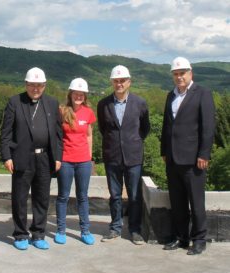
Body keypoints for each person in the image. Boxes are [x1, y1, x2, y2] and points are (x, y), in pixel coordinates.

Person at [0, 67, 62, 250]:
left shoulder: (51, 103)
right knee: (19, 198)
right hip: (21, 157)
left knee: (42, 197)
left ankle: (38, 234)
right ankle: (20, 235)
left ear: (44, 85)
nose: (36, 88)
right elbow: (6, 132)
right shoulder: (15, 102)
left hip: (44, 157)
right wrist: (6, 156)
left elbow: (58, 134)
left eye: (40, 85)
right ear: (26, 84)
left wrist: (58, 156)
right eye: (32, 85)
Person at [161, 57, 215, 255]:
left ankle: (199, 239)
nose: (179, 77)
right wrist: (164, 151)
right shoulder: (171, 95)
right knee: (178, 201)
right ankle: (181, 237)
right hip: (173, 158)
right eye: (175, 74)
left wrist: (204, 153)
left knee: (196, 201)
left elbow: (208, 127)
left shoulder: (202, 93)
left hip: (194, 159)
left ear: (190, 73)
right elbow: (167, 126)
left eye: (182, 73)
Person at [97, 65, 150, 245]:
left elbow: (145, 128)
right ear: (112, 82)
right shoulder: (103, 104)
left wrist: (132, 142)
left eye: (122, 81)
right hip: (112, 156)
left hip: (133, 156)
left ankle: (135, 230)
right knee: (115, 195)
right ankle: (115, 228)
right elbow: (104, 129)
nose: (119, 84)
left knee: (135, 195)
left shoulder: (140, 103)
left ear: (129, 82)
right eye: (116, 81)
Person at [55, 78, 96, 246]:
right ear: (70, 94)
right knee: (63, 196)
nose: (78, 96)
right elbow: (57, 137)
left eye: (81, 94)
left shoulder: (88, 112)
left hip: (83, 161)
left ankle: (85, 231)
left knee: (83, 197)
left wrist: (90, 157)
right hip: (66, 160)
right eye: (75, 93)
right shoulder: (62, 111)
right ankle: (61, 230)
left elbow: (89, 135)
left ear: (84, 96)